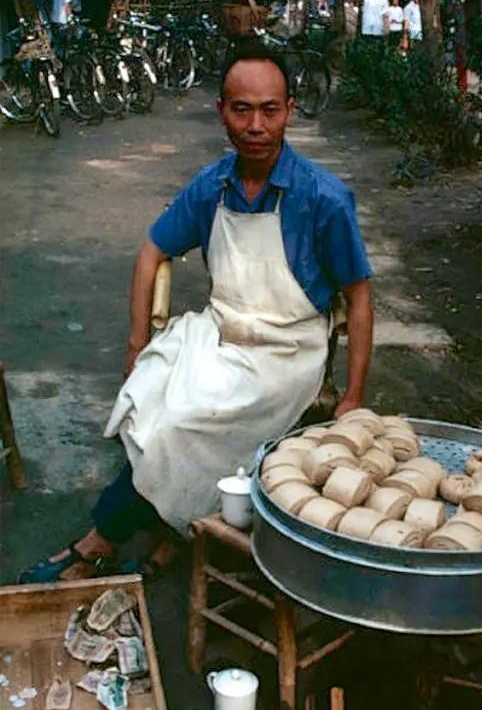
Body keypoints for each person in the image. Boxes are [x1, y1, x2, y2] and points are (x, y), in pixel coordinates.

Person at [20, 44, 374, 584]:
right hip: (218, 331)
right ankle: (172, 530)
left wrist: (351, 397)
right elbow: (150, 253)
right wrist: (137, 345)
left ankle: (100, 539)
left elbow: (360, 295)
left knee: (186, 422)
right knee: (148, 400)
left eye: (270, 109)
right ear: (221, 110)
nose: (256, 125)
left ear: (290, 110)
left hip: (287, 352)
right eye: (242, 109)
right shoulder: (212, 186)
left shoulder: (324, 198)